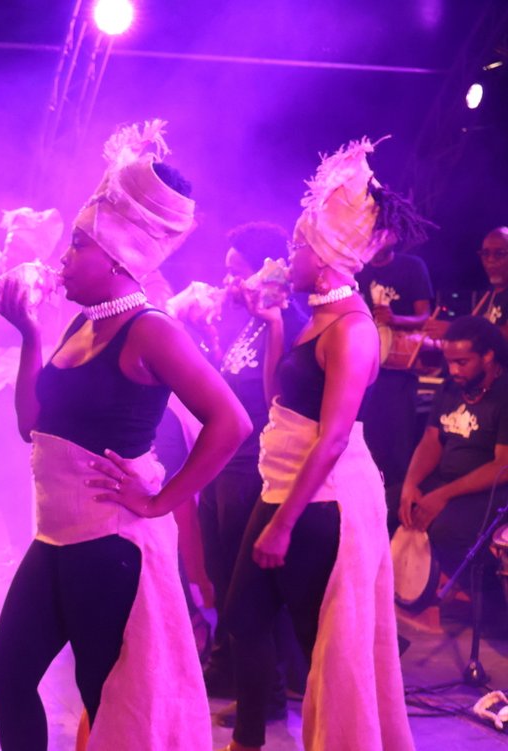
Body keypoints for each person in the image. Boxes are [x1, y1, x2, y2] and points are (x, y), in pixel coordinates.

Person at [0, 120, 251, 751]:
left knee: (107, 702)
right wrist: (30, 337)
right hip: (54, 536)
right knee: (5, 674)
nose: (63, 258)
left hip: (108, 544)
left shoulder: (150, 329)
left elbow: (232, 423)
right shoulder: (82, 324)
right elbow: (29, 425)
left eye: (78, 245)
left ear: (116, 257)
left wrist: (159, 502)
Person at [221, 138, 414, 751]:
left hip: (323, 500)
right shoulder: (318, 318)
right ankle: (247, 741)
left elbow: (332, 439)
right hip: (286, 485)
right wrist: (275, 323)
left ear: (325, 258)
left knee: (321, 644)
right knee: (243, 615)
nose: (289, 256)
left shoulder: (353, 329)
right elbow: (280, 399)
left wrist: (283, 525)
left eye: (298, 246)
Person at [196, 222, 307, 705]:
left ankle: (267, 693)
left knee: (251, 587)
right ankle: (225, 670)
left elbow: (275, 396)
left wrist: (273, 321)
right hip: (224, 462)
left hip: (253, 467)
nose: (229, 282)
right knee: (221, 575)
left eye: (238, 271)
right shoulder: (244, 320)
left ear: (267, 271)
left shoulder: (290, 322)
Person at [0, 207, 66, 555]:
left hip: (34, 383)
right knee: (4, 470)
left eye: (17, 246)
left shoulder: (41, 281)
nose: (7, 252)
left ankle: (38, 546)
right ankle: (19, 545)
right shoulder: (3, 279)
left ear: (34, 253)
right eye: (7, 244)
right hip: (0, 385)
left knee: (32, 469)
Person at [399, 315, 508, 631]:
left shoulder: (504, 393)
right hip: (447, 481)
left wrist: (442, 496)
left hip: (489, 488)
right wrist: (410, 484)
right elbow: (431, 440)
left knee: (447, 529)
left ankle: (490, 604)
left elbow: (503, 466)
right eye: (449, 362)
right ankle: (411, 596)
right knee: (385, 504)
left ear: (488, 356)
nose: (453, 370)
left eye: (462, 362)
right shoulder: (449, 388)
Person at [355, 190, 434, 496]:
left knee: (397, 444)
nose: (376, 237)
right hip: (364, 369)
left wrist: (395, 319)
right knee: (367, 439)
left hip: (399, 372)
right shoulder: (358, 270)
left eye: (382, 230)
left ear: (394, 234)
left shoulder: (412, 267)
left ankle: (395, 506)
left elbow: (424, 317)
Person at [425, 226, 508, 341]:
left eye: (499, 254)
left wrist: (456, 330)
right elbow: (477, 336)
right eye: (485, 254)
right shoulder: (490, 293)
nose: (490, 260)